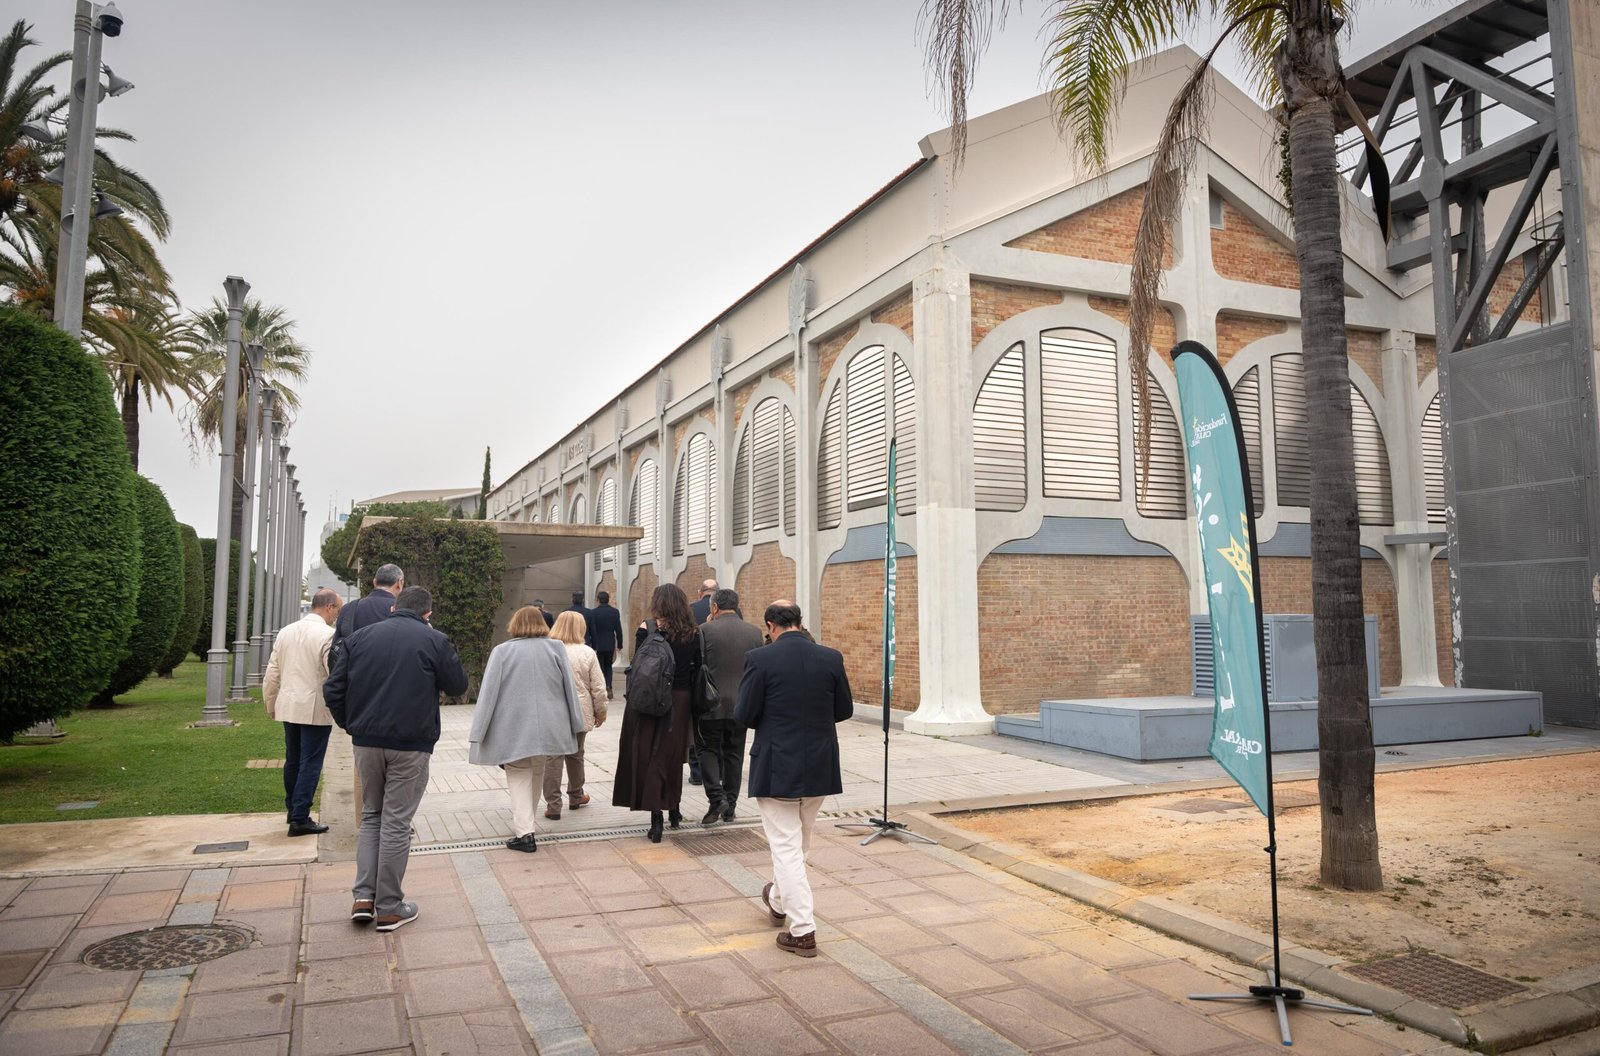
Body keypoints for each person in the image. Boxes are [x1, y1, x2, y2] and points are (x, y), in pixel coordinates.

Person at [324, 586, 468, 931]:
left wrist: (352, 724)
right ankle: (389, 906)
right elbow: (458, 685)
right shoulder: (434, 640)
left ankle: (364, 898)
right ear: (427, 614)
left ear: (393, 608)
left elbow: (333, 689)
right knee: (396, 821)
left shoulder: (359, 639)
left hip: (367, 741)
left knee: (373, 816)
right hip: (411, 742)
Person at [734, 601, 854, 958]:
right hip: (818, 762)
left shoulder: (760, 659)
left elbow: (745, 713)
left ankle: (802, 930)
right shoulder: (830, 657)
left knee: (786, 848)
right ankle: (778, 900)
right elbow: (844, 710)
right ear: (800, 622)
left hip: (776, 763)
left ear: (771, 625)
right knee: (798, 845)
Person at [467, 607, 586, 852]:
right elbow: (569, 690)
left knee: (519, 775)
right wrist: (576, 723)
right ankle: (526, 826)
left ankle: (525, 833)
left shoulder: (502, 652)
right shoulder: (556, 648)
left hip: (514, 727)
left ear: (515, 624)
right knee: (535, 773)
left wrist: (478, 732)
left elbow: (488, 694)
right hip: (550, 726)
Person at [615, 584, 701, 843]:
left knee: (650, 755)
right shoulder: (693, 633)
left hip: (650, 701)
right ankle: (673, 809)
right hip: (681, 700)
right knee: (672, 756)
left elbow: (638, 665)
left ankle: (656, 819)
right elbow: (697, 670)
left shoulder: (647, 629)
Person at [263, 588, 343, 837]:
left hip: (288, 705)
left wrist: (270, 703)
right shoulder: (328, 635)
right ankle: (299, 817)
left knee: (293, 760)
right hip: (313, 707)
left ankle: (293, 809)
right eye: (337, 610)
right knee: (310, 762)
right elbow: (333, 675)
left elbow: (272, 673)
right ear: (329, 607)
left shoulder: (286, 632)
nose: (336, 616)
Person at [696, 587, 763, 824]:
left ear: (714, 607)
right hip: (742, 705)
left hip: (710, 705)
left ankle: (716, 797)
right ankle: (730, 806)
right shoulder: (754, 633)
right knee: (734, 754)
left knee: (707, 750)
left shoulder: (703, 630)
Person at [545, 610, 608, 819]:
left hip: (553, 711)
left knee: (553, 758)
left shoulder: (548, 650)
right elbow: (598, 688)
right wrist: (601, 712)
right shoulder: (587, 652)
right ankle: (576, 795)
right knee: (576, 754)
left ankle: (553, 805)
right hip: (580, 710)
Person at [331, 563, 403, 657]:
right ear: (399, 583)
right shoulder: (403, 610)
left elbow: (335, 649)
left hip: (354, 669)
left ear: (374, 582)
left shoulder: (348, 609)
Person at [587, 590, 625, 693]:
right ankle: (609, 686)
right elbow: (618, 629)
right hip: (610, 643)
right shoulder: (615, 612)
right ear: (608, 600)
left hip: (597, 644)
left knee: (599, 666)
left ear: (598, 600)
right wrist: (620, 644)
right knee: (608, 665)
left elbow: (591, 630)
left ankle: (602, 687)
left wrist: (591, 644)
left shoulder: (593, 613)